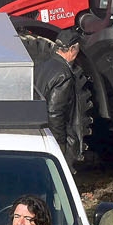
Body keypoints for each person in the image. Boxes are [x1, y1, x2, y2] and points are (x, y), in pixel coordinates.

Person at [34, 30, 82, 163]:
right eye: (78, 50)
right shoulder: (64, 75)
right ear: (72, 49)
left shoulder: (43, 66)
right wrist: (59, 144)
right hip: (54, 137)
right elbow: (55, 112)